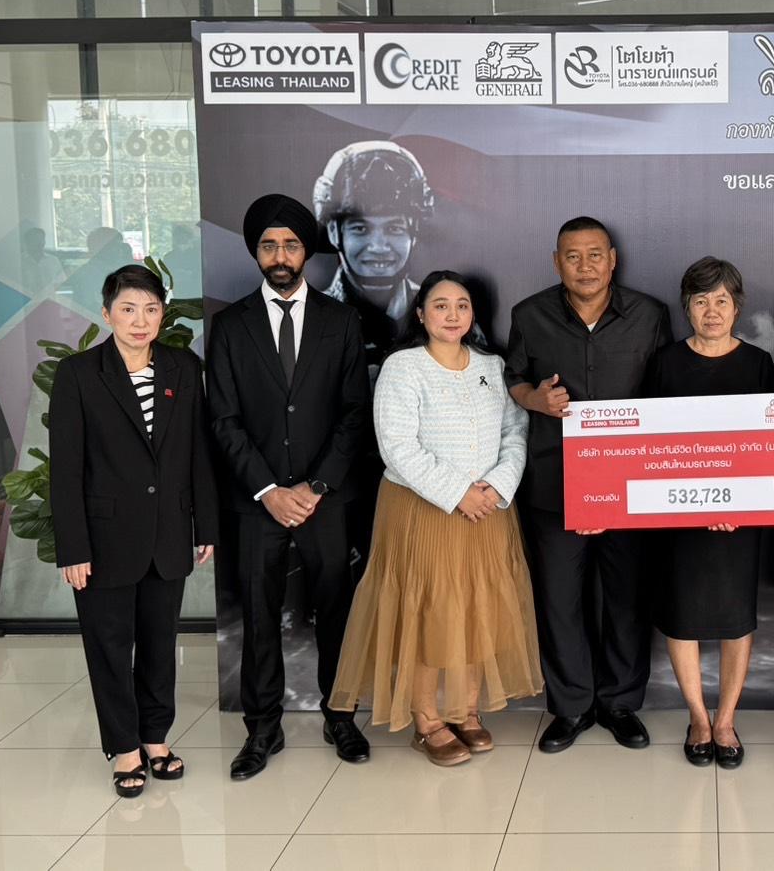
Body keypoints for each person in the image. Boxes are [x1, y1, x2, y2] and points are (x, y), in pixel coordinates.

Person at [328, 271, 542, 766]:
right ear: (421, 314)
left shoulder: (491, 365)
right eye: (440, 305)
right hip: (424, 510)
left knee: (479, 607)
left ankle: (466, 709)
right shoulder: (403, 367)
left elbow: (515, 431)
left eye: (462, 305)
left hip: (488, 509)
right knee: (428, 612)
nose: (452, 315)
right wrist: (458, 493)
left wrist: (496, 486)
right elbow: (397, 446)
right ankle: (426, 720)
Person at [206, 193, 373, 780]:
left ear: (307, 253)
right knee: (258, 614)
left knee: (336, 609)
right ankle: (262, 728)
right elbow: (222, 419)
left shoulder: (341, 320)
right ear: (256, 253)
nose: (280, 255)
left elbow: (354, 412)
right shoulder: (229, 326)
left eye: (291, 245)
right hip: (257, 502)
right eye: (269, 245)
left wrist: (316, 484)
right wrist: (268, 490)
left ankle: (340, 715)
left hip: (325, 499)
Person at [505, 216, 672, 753]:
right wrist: (535, 400)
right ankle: (572, 706)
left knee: (627, 599)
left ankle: (620, 703)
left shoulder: (650, 315)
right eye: (572, 256)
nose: (585, 266)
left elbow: (669, 393)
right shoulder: (529, 314)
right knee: (559, 600)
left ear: (613, 259)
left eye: (595, 254)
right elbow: (513, 379)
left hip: (631, 487)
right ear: (557, 262)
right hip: (554, 485)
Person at [50, 264, 217, 797]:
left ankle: (155, 738)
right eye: (128, 309)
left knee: (160, 644)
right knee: (109, 646)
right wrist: (72, 547)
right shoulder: (79, 373)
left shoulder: (183, 367)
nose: (140, 320)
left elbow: (197, 451)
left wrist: (205, 524)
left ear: (162, 314)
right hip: (103, 540)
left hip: (168, 533)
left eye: (150, 309)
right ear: (107, 314)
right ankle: (124, 747)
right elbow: (65, 469)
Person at [643, 257, 774, 770]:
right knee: (682, 617)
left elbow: (772, 445)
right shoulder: (665, 363)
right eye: (701, 301)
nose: (712, 310)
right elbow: (649, 444)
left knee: (736, 618)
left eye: (722, 300)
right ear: (687, 308)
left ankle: (725, 721)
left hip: (737, 522)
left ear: (737, 306)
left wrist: (736, 504)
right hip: (678, 519)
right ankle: (698, 719)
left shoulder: (758, 364)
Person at [313, 141, 436, 371]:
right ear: (334, 232)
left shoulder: (443, 317)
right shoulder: (307, 321)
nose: (379, 247)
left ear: (414, 232)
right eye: (360, 228)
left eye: (394, 228)